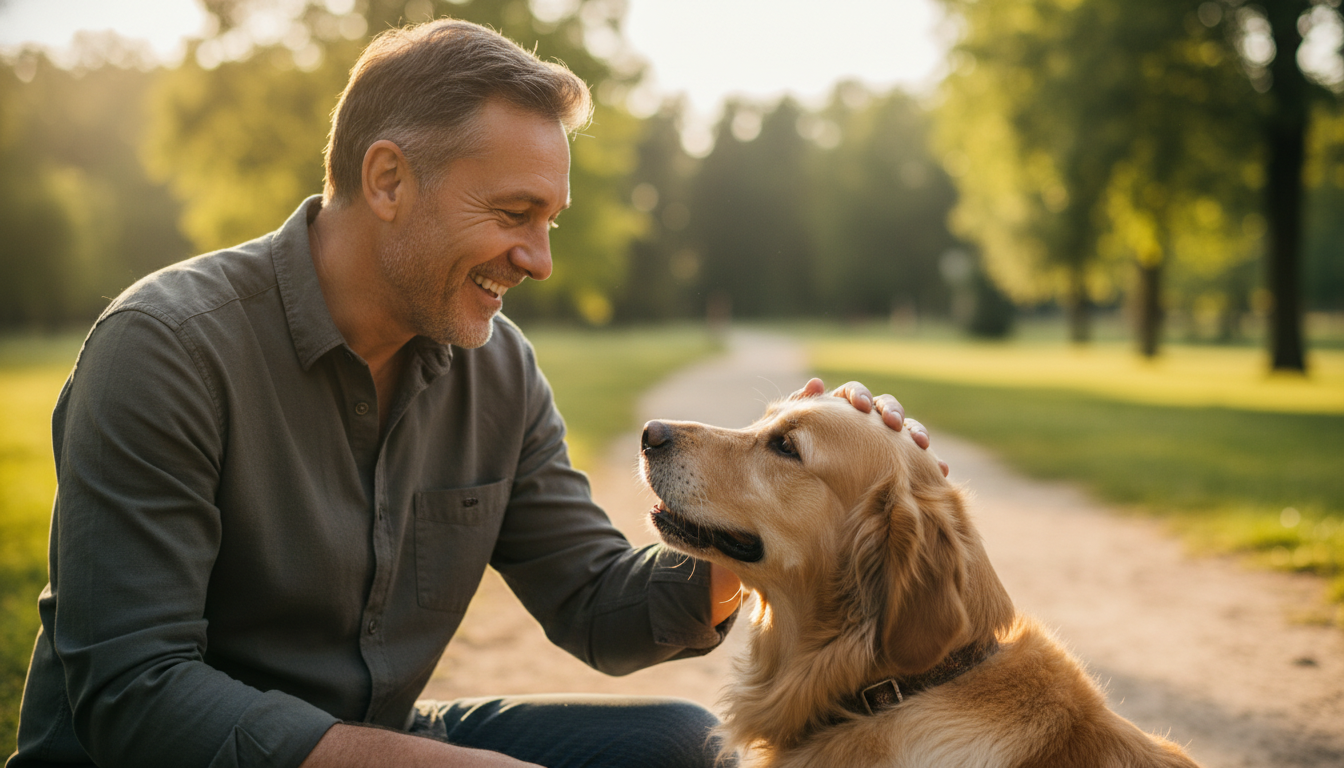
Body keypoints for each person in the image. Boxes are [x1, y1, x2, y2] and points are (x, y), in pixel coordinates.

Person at [6, 18, 939, 768]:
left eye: (550, 220)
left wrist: (779, 510)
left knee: (682, 747)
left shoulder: (497, 370)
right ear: (387, 180)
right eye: (512, 214)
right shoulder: (167, 349)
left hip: (375, 736)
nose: (537, 258)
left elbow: (598, 604)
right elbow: (136, 694)